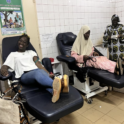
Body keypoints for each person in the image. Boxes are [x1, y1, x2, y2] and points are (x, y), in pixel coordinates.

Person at [0, 34, 69, 103]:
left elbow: (38, 63)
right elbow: (5, 65)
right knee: (38, 72)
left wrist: (47, 73)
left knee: (40, 75)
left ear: (27, 45)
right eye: (20, 41)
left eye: (24, 42)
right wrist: (3, 69)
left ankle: (54, 92)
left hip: (38, 72)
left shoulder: (31, 52)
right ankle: (60, 84)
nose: (21, 43)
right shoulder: (13, 54)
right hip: (25, 75)